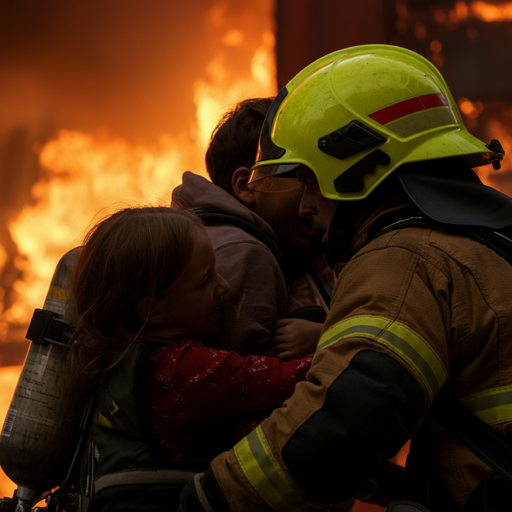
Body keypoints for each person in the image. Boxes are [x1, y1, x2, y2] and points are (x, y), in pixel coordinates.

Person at [177, 45, 512, 512]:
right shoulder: (488, 246)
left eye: (311, 180)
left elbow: (344, 422)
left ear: (360, 165)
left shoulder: (407, 257)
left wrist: (212, 496)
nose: (307, 206)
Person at [68, 205, 313, 511]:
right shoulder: (183, 371)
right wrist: (323, 333)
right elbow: (289, 379)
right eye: (204, 281)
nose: (223, 285)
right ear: (153, 311)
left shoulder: (116, 360)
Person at [172, 98, 331, 360]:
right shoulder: (247, 255)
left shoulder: (207, 234)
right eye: (306, 180)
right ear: (246, 186)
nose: (320, 197)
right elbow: (253, 386)